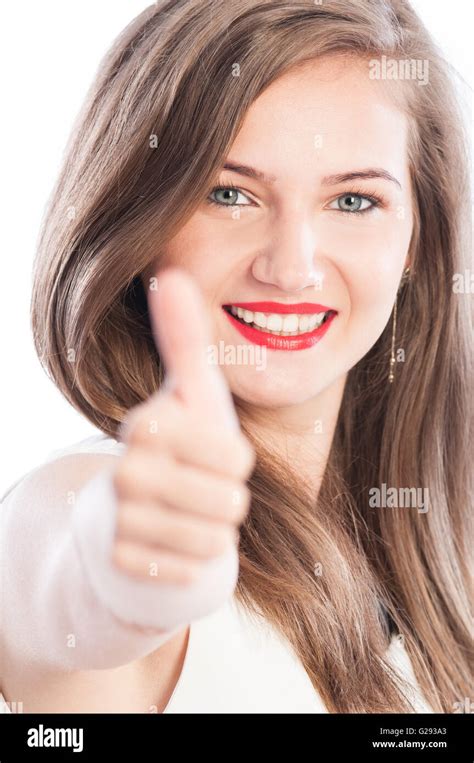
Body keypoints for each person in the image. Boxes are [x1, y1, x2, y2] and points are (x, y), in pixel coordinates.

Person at [0, 0, 471, 713]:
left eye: (353, 201)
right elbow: (54, 572)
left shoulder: (433, 571)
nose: (291, 268)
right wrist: (124, 570)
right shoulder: (92, 490)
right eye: (230, 194)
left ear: (414, 241)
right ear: (141, 223)